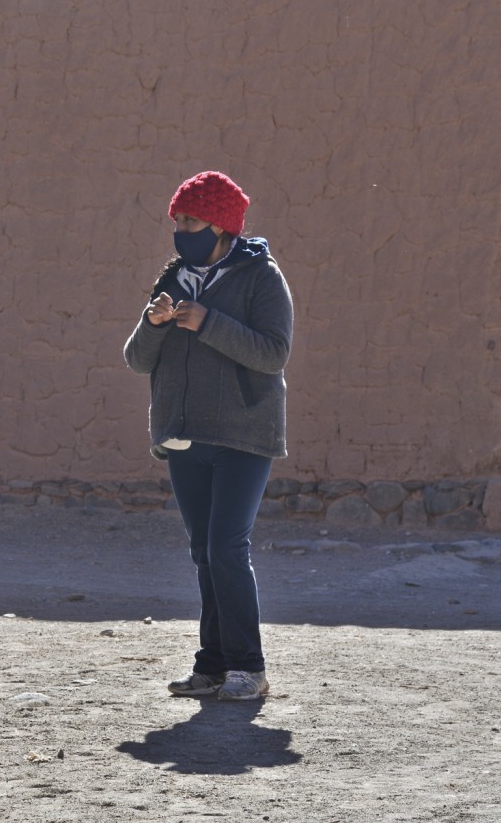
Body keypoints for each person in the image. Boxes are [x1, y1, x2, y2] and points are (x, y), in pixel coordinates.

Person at [123, 171, 293, 701]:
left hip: (244, 435)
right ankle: (213, 664)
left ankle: (249, 667)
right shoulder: (173, 277)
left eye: (191, 220)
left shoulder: (262, 277)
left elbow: (273, 353)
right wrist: (154, 324)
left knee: (226, 548)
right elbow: (136, 360)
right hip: (182, 437)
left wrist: (210, 322)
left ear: (221, 225)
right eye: (176, 221)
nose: (181, 230)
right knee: (204, 552)